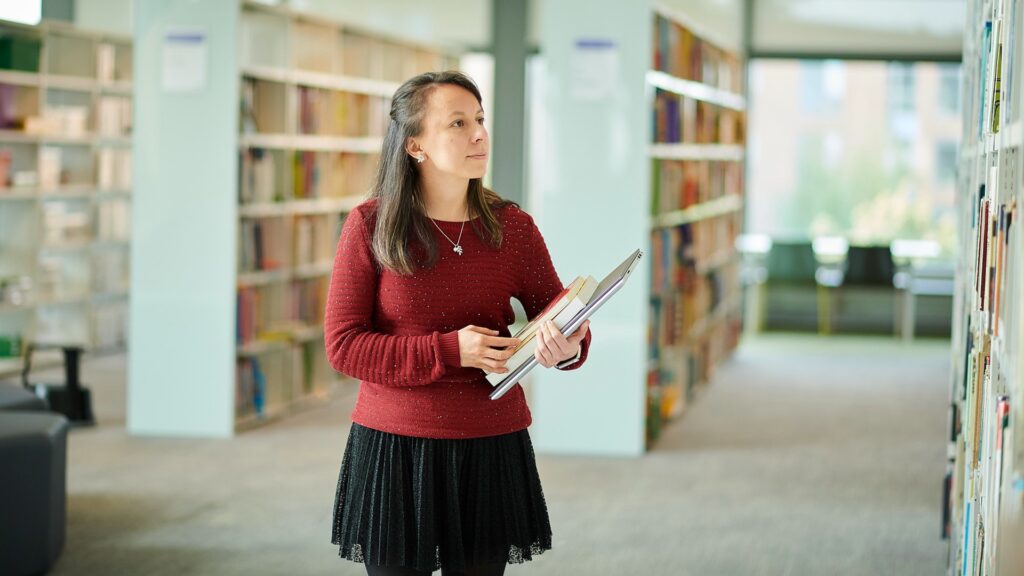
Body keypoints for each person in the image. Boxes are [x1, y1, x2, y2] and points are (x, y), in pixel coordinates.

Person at [325, 71, 592, 576]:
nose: (479, 135)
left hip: (489, 445)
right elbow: (344, 347)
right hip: (396, 448)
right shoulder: (369, 225)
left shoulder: (513, 227)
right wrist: (451, 350)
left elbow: (558, 313)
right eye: (457, 122)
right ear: (415, 145)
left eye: (480, 120)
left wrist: (568, 345)